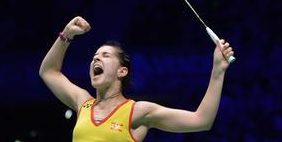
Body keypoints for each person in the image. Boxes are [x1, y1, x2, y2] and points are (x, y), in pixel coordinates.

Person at [39, 16, 234, 142]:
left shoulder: (137, 112)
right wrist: (67, 34)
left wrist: (218, 70)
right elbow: (48, 72)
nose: (96, 58)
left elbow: (201, 120)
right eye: (94, 57)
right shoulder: (83, 103)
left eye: (106, 56)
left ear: (122, 71)